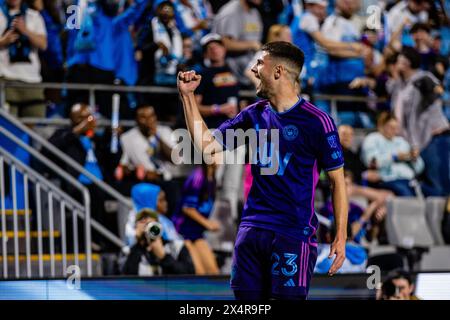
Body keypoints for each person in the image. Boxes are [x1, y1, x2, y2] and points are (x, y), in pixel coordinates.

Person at [177, 41, 348, 300]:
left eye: (259, 64)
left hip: (292, 233)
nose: (254, 70)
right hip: (251, 230)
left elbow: (338, 182)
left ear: (278, 71)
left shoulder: (317, 121)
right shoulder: (253, 115)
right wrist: (187, 97)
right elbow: (207, 147)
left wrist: (341, 236)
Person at [388, 46, 450, 196]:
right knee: (423, 184)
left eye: (399, 60)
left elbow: (437, 90)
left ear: (407, 62)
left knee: (438, 185)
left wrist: (433, 89)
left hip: (433, 138)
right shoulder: (400, 84)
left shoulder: (423, 78)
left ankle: (445, 219)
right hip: (414, 142)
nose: (396, 64)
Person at [0, 0, 47, 118]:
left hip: (31, 80)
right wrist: (3, 41)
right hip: (6, 79)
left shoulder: (34, 16)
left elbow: (43, 44)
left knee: (34, 123)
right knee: (10, 128)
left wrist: (25, 30)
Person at [172, 164, 221, 275]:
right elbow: (187, 208)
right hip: (182, 232)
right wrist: (207, 224)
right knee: (199, 272)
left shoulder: (212, 177)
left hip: (196, 233)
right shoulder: (198, 177)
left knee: (214, 272)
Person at [361, 112, 425, 196]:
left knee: (433, 194)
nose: (394, 131)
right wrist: (394, 157)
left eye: (396, 128)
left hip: (409, 179)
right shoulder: (372, 139)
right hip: (386, 179)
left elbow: (419, 169)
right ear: (381, 126)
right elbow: (371, 162)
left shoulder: (401, 141)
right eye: (391, 127)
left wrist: (415, 158)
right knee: (407, 195)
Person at [121, 208, 196, 276]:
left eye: (150, 224)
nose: (147, 228)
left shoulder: (176, 247)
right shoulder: (129, 251)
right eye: (142, 222)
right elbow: (126, 280)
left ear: (159, 226)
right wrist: (139, 244)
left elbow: (189, 276)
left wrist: (164, 256)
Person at [212, 0, 263, 87]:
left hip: (251, 70)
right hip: (234, 74)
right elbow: (224, 43)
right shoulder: (231, 12)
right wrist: (252, 44)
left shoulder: (254, 11)